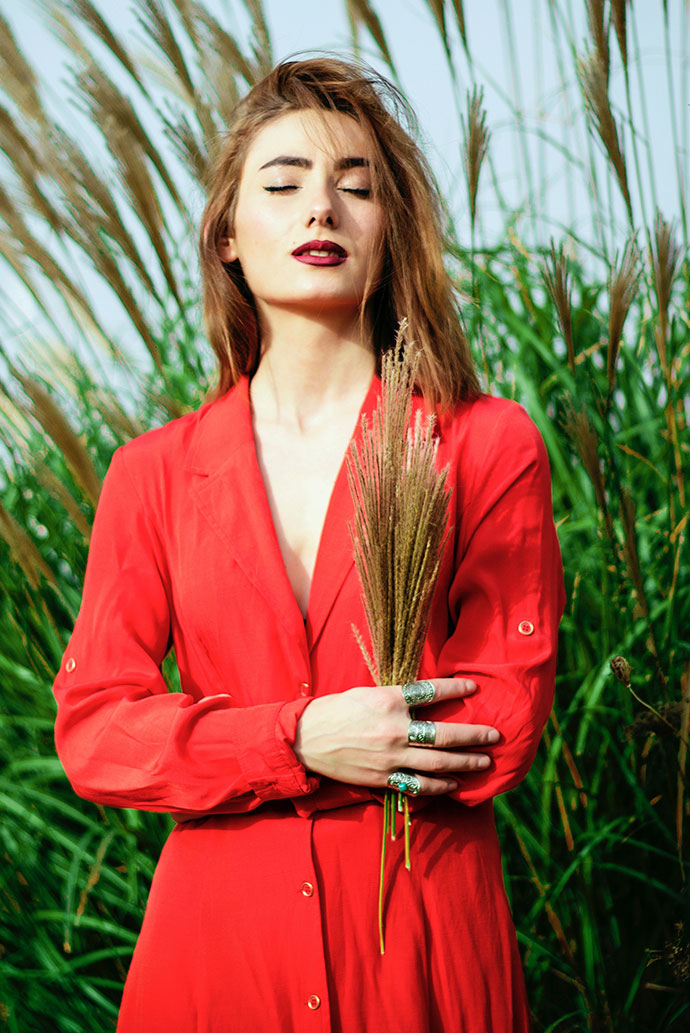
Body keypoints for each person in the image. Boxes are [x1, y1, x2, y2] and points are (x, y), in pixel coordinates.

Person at [53, 57, 564, 1033]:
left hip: (417, 944)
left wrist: (241, 749)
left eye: (355, 187)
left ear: (391, 228)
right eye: (283, 184)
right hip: (215, 962)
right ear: (228, 235)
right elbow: (97, 731)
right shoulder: (151, 473)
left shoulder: (483, 443)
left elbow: (499, 723)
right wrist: (293, 740)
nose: (321, 207)